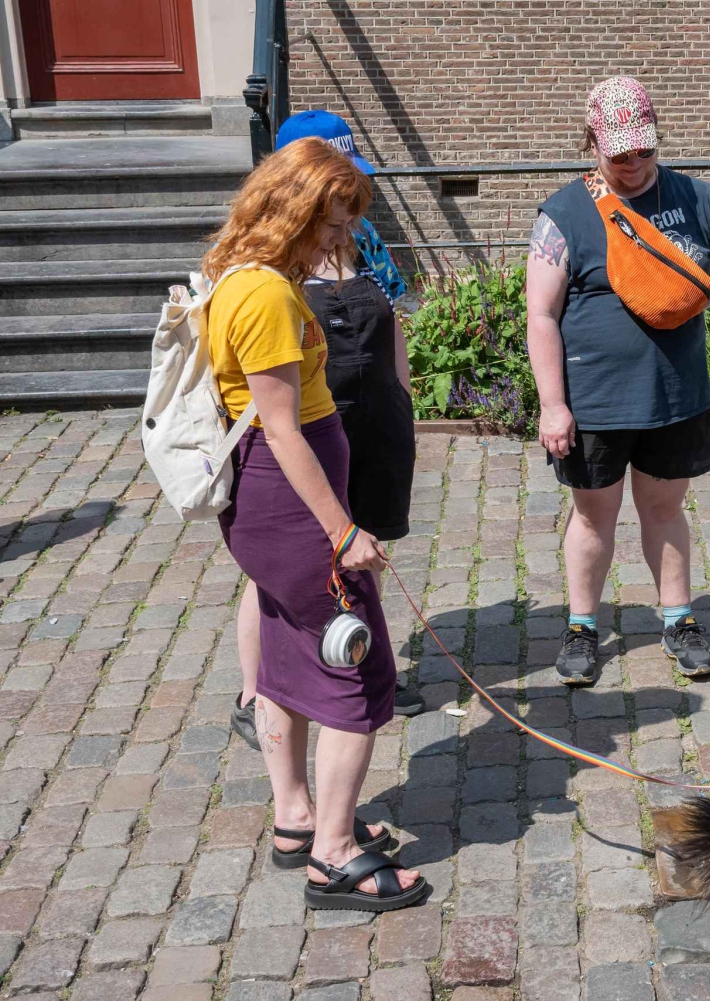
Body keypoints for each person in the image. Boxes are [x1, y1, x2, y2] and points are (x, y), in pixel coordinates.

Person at [205, 137, 426, 911]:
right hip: (293, 505)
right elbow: (281, 428)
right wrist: (342, 530)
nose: (338, 245)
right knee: (359, 672)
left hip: (276, 506)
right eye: (329, 228)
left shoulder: (246, 277)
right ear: (291, 213)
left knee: (287, 657)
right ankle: (333, 855)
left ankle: (297, 816)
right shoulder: (264, 295)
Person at [526, 76, 710, 686]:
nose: (632, 165)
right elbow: (541, 316)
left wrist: (680, 303)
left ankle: (678, 620)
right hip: (595, 400)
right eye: (618, 154)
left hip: (674, 394)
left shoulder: (695, 197)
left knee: (665, 507)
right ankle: (581, 627)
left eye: (642, 151)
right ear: (592, 142)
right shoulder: (565, 213)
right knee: (595, 514)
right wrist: (553, 406)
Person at [228, 111, 423, 752]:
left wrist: (401, 397)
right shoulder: (266, 280)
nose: (345, 228)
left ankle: (317, 676)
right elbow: (273, 416)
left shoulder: (360, 241)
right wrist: (338, 528)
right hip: (308, 433)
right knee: (291, 584)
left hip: (366, 421)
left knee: (355, 552)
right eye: (335, 215)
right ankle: (263, 690)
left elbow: (391, 311)